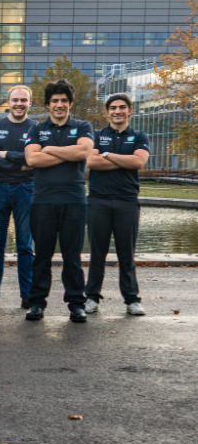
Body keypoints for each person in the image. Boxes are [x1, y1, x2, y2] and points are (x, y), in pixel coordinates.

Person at [24, 79, 95, 323]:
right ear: (47, 104)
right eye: (55, 101)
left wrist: (48, 149)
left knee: (72, 257)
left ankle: (76, 304)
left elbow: (83, 152)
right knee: (41, 255)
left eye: (64, 100)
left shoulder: (83, 126)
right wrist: (67, 152)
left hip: (74, 200)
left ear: (70, 103)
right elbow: (32, 160)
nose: (59, 104)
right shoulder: (36, 129)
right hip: (43, 200)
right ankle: (36, 303)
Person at [85, 94, 149, 316]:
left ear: (130, 110)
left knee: (126, 255)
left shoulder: (139, 136)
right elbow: (91, 162)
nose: (117, 111)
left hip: (127, 202)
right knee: (97, 254)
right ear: (107, 112)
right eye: (113, 108)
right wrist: (124, 160)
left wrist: (108, 155)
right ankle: (91, 298)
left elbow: (138, 162)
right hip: (98, 201)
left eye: (122, 107)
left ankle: (132, 299)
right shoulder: (96, 135)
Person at [0, 85, 35, 310]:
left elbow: (35, 160)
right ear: (8, 101)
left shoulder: (37, 128)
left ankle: (27, 294)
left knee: (25, 244)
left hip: (26, 189)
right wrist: (21, 163)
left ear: (30, 103)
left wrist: (9, 156)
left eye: (23, 100)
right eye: (15, 100)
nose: (19, 104)